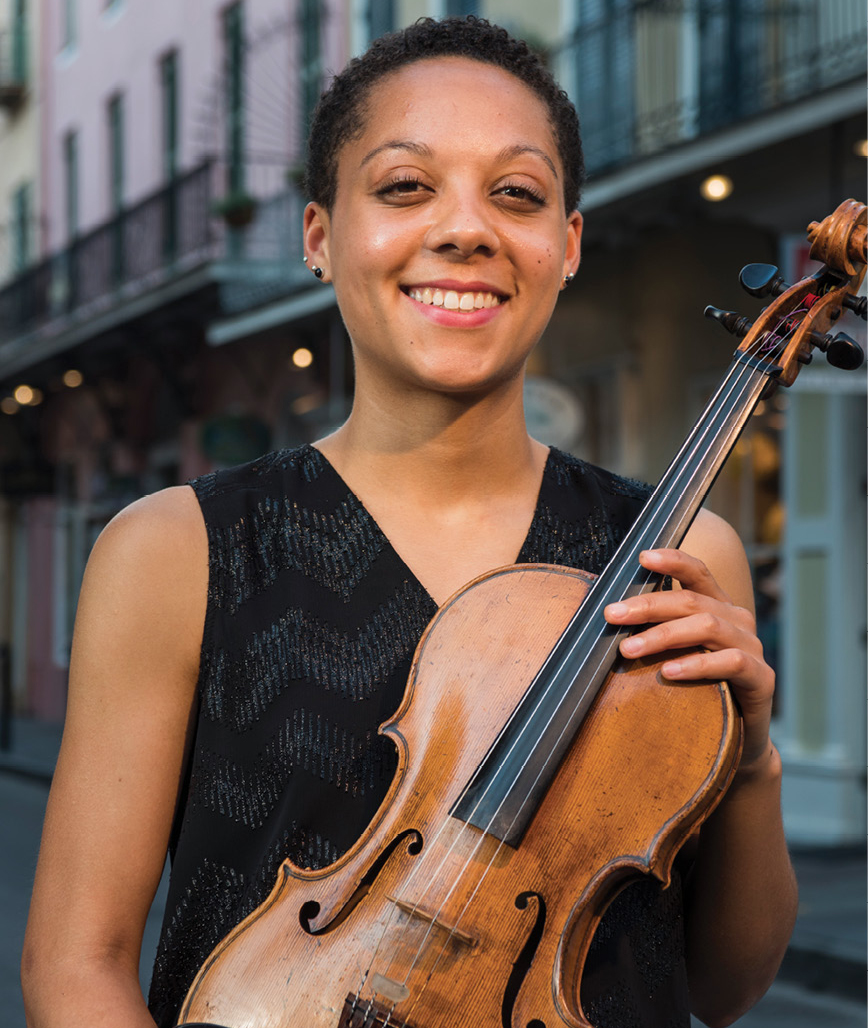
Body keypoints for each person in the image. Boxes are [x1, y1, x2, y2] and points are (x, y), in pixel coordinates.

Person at [21, 16, 797, 1028]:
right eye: (403, 186)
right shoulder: (175, 550)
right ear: (319, 235)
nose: (466, 229)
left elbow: (726, 988)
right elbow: (77, 962)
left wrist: (752, 761)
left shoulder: (678, 554)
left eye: (515, 194)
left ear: (565, 245)